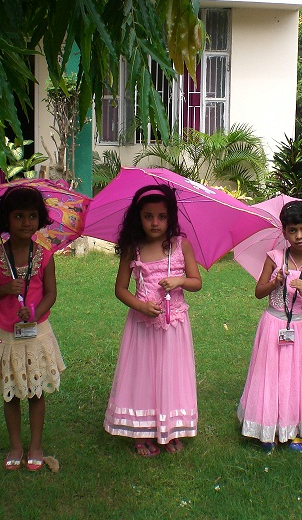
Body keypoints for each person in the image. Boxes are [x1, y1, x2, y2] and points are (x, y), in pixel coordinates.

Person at [104, 184, 202, 457]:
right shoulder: (133, 249)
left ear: (171, 217)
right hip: (142, 325)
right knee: (144, 375)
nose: (155, 222)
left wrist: (180, 280)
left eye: (161, 216)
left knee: (171, 374)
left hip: (174, 325)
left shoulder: (181, 245)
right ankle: (143, 430)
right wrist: (141, 306)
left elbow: (196, 282)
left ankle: (169, 429)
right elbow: (120, 289)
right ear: (138, 218)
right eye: (148, 216)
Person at [0, 186, 65, 471]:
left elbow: (51, 293)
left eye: (32, 216)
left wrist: (35, 313)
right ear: (6, 219)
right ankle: (16, 445)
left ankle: (36, 445)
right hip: (6, 337)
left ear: (40, 219)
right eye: (18, 216)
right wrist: (5, 288)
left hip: (36, 334)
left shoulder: (45, 256)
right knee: (12, 392)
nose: (26, 222)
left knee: (36, 392)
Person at [237, 200, 302, 453]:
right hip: (273, 323)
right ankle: (268, 426)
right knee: (270, 373)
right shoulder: (275, 258)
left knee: (299, 376)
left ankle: (297, 428)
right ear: (284, 232)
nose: (299, 236)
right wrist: (275, 281)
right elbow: (258, 292)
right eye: (292, 230)